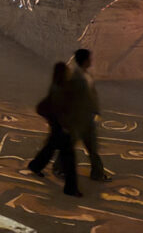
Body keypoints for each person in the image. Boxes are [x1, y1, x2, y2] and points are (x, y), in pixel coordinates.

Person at [27, 62, 80, 197]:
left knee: (50, 148)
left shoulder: (56, 85)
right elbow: (61, 110)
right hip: (61, 127)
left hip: (57, 126)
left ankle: (35, 166)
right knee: (68, 158)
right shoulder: (60, 89)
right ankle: (70, 188)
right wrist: (66, 126)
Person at [66, 49, 109, 182]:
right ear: (85, 61)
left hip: (87, 117)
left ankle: (97, 173)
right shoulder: (76, 77)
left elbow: (92, 96)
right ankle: (59, 167)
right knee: (71, 145)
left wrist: (95, 111)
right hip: (78, 118)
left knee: (92, 147)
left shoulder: (86, 75)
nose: (91, 61)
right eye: (89, 59)